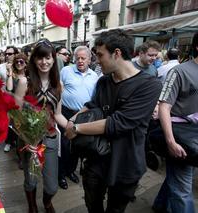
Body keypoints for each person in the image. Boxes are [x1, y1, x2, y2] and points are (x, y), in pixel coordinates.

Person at [65, 29, 162, 212]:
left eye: (100, 55)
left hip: (125, 163)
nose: (97, 61)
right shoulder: (103, 81)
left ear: (116, 53)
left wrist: (77, 128)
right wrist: (72, 119)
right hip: (96, 160)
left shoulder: (149, 85)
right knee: (93, 205)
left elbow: (118, 123)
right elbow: (92, 104)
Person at [14, 39, 68, 213]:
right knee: (31, 180)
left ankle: (47, 202)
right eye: (40, 58)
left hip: (51, 139)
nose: (44, 62)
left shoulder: (58, 86)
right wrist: (27, 138)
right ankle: (32, 206)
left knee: (52, 186)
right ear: (34, 60)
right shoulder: (25, 83)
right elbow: (15, 115)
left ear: (53, 59)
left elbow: (58, 115)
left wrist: (73, 127)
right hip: (29, 142)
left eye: (48, 58)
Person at [152, 32, 198, 213]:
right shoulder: (179, 71)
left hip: (195, 136)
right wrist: (171, 141)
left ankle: (159, 204)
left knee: (179, 177)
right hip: (180, 136)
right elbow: (164, 106)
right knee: (182, 190)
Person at [58, 46, 99, 190]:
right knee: (64, 145)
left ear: (89, 59)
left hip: (83, 116)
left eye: (83, 58)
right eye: (78, 58)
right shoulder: (66, 71)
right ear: (74, 58)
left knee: (77, 146)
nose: (80, 61)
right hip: (66, 113)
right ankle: (61, 174)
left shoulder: (94, 76)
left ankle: (70, 171)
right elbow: (58, 89)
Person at [4, 53, 28, 160]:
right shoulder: (12, 75)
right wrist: (9, 73)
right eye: (17, 61)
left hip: (27, 107)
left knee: (24, 133)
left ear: (25, 63)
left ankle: (24, 157)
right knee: (16, 130)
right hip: (15, 107)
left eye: (21, 61)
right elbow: (9, 89)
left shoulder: (29, 76)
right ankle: (20, 156)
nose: (18, 63)